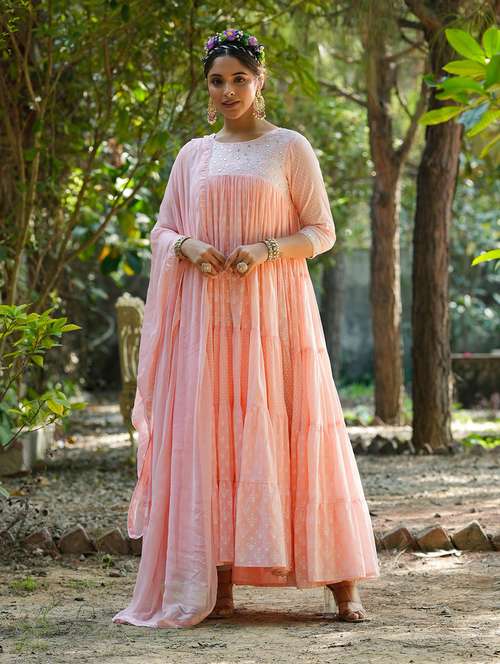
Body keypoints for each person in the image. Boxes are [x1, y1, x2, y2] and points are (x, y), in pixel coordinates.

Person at [112, 27, 380, 630]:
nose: (227, 91)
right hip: (208, 322)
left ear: (260, 82)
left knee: (296, 430)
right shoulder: (193, 155)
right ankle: (220, 581)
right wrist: (186, 245)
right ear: (207, 88)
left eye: (239, 79)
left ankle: (342, 585)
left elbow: (321, 231)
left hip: (274, 315)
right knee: (215, 439)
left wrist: (266, 249)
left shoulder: (289, 147)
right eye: (216, 81)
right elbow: (162, 229)